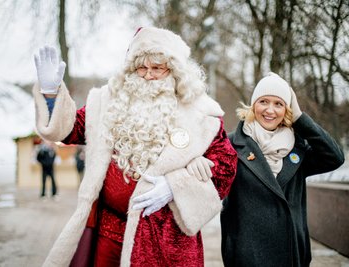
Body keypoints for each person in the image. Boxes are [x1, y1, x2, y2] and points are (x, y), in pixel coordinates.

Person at [33, 27, 238, 267]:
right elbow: (72, 128)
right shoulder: (109, 102)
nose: (148, 75)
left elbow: (225, 167)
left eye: (157, 68)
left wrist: (176, 186)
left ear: (174, 70)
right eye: (141, 67)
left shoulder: (201, 114)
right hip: (108, 232)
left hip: (164, 239)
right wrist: (51, 94)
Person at [215, 72, 344, 267]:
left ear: (287, 109)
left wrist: (301, 119)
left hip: (291, 255)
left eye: (279, 104)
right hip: (247, 254)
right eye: (263, 101)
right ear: (253, 105)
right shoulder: (232, 144)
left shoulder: (298, 147)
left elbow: (334, 157)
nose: (270, 110)